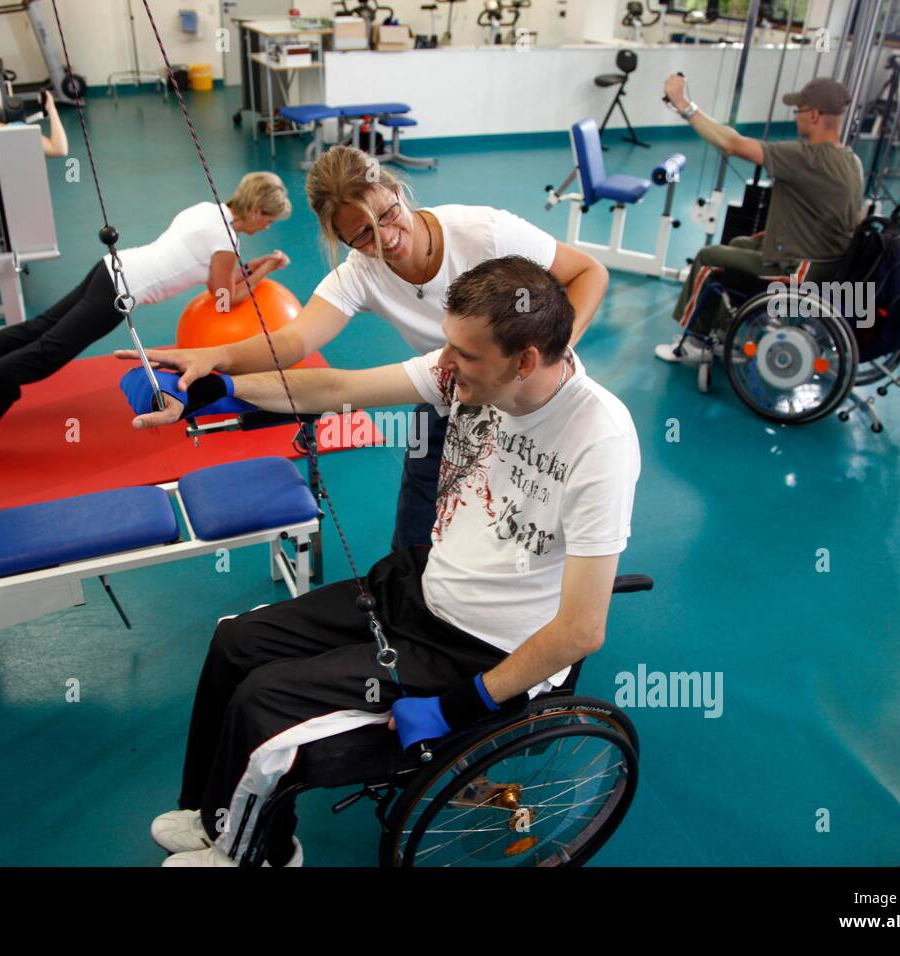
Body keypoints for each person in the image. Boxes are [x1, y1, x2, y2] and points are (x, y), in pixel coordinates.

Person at [120, 255, 640, 867]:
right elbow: (336, 387)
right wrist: (219, 386)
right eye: (447, 346)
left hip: (483, 648)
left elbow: (582, 630)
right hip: (421, 588)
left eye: (463, 355)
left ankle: (258, 852)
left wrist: (457, 706)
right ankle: (214, 815)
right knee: (238, 642)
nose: (445, 365)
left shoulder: (598, 439)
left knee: (267, 701)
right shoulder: (470, 372)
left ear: (525, 361)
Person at [122, 145, 610, 550]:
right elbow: (296, 344)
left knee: (519, 518)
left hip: (530, 392)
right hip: (450, 384)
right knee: (419, 516)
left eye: (389, 215)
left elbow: (589, 272)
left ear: (397, 190)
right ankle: (413, 599)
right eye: (363, 236)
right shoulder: (362, 274)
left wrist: (552, 354)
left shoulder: (483, 233)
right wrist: (215, 360)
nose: (388, 238)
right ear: (339, 238)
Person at [0, 172, 291, 457]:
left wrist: (255, 266)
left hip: (111, 267)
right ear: (258, 211)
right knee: (47, 352)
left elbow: (219, 273)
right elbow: (225, 296)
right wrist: (267, 271)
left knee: (39, 329)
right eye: (270, 220)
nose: (268, 227)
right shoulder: (225, 238)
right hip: (121, 290)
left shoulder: (208, 211)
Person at [654, 76, 865, 363]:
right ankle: (726, 328)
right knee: (740, 242)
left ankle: (696, 343)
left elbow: (731, 143)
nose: (796, 118)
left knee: (708, 258)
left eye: (799, 111)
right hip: (825, 262)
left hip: (801, 270)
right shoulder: (851, 160)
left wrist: (683, 105)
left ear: (814, 115)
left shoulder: (809, 157)